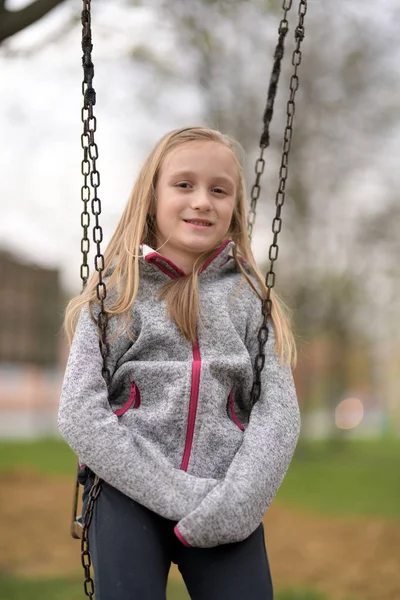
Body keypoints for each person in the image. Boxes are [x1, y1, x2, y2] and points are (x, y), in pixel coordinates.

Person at [58, 126, 301, 600]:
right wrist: (178, 494)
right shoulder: (114, 298)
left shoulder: (250, 300)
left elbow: (279, 414)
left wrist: (239, 503)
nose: (202, 201)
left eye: (218, 190)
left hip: (225, 495)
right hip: (129, 491)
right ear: (152, 198)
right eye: (184, 185)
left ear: (234, 209)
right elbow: (79, 414)